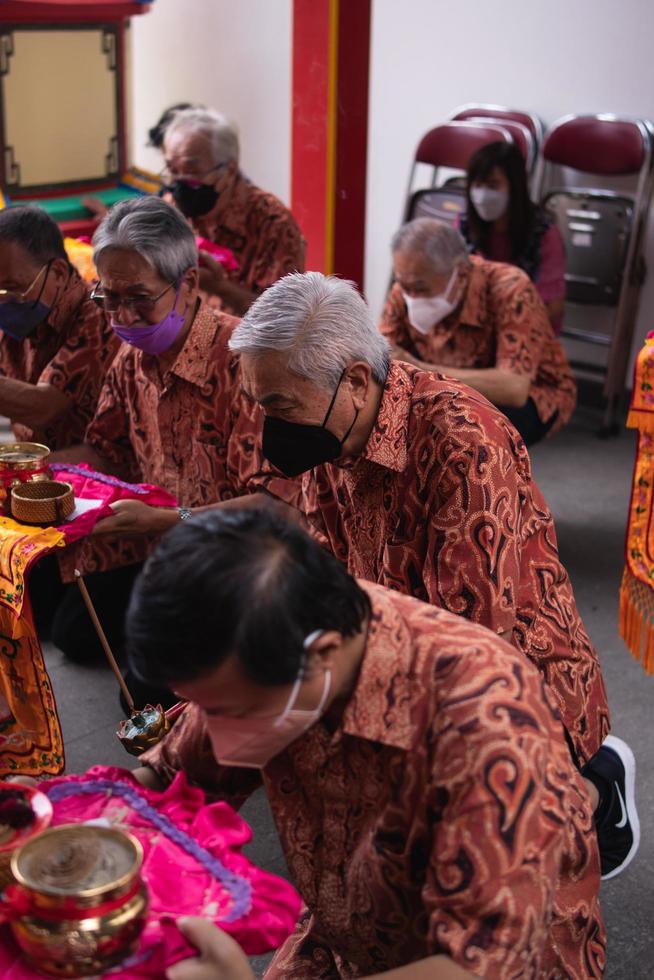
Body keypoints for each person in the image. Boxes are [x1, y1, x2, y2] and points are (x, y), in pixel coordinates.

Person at [228, 270, 638, 881]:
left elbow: (474, 647)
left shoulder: (462, 441)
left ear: (356, 381)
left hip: (512, 675)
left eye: (279, 406)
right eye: (260, 406)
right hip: (399, 644)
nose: (269, 430)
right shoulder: (332, 432)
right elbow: (325, 575)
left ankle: (595, 790)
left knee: (479, 855)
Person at [128, 507, 605, 980]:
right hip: (349, 934)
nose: (211, 731)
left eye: (229, 711)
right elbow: (171, 778)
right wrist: (85, 818)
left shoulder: (487, 720)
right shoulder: (284, 640)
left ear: (323, 654)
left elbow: (478, 965)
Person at [37, 196, 296, 687]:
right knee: (72, 630)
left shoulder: (245, 366)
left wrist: (167, 519)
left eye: (138, 297)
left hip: (247, 570)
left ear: (189, 284)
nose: (122, 317)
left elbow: (281, 507)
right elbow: (106, 450)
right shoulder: (134, 355)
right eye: (107, 298)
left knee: (151, 696)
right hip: (168, 551)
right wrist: (33, 471)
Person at [380, 218, 576, 446]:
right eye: (404, 286)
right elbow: (386, 356)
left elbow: (514, 388)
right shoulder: (406, 287)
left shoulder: (510, 289)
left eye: (421, 289)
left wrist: (421, 369)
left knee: (462, 437)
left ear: (461, 274)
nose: (411, 297)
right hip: (443, 385)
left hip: (534, 394)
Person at [162, 108, 305, 315]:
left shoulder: (272, 223)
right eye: (172, 170)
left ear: (229, 170)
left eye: (192, 171)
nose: (179, 183)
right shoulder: (171, 210)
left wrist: (220, 288)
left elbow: (284, 319)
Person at [0, 206, 119, 448]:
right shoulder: (16, 309)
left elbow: (43, 407)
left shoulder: (101, 313)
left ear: (58, 273)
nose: (4, 299)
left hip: (96, 477)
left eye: (12, 287)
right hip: (38, 465)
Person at [460, 140, 566, 334]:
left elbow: (553, 308)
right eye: (477, 185)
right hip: (473, 329)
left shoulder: (543, 235)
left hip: (525, 330)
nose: (482, 195)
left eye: (493, 185)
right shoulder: (464, 226)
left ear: (514, 187)